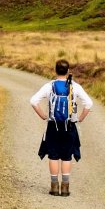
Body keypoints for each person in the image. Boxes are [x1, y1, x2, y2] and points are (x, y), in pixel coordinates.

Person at [29, 59, 93, 196]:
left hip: (53, 125)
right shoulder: (75, 86)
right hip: (70, 125)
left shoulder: (49, 86)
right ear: (68, 71)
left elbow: (33, 101)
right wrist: (80, 118)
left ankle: (54, 187)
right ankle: (65, 188)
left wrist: (43, 116)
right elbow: (88, 103)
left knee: (53, 155)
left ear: (55, 70)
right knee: (66, 156)